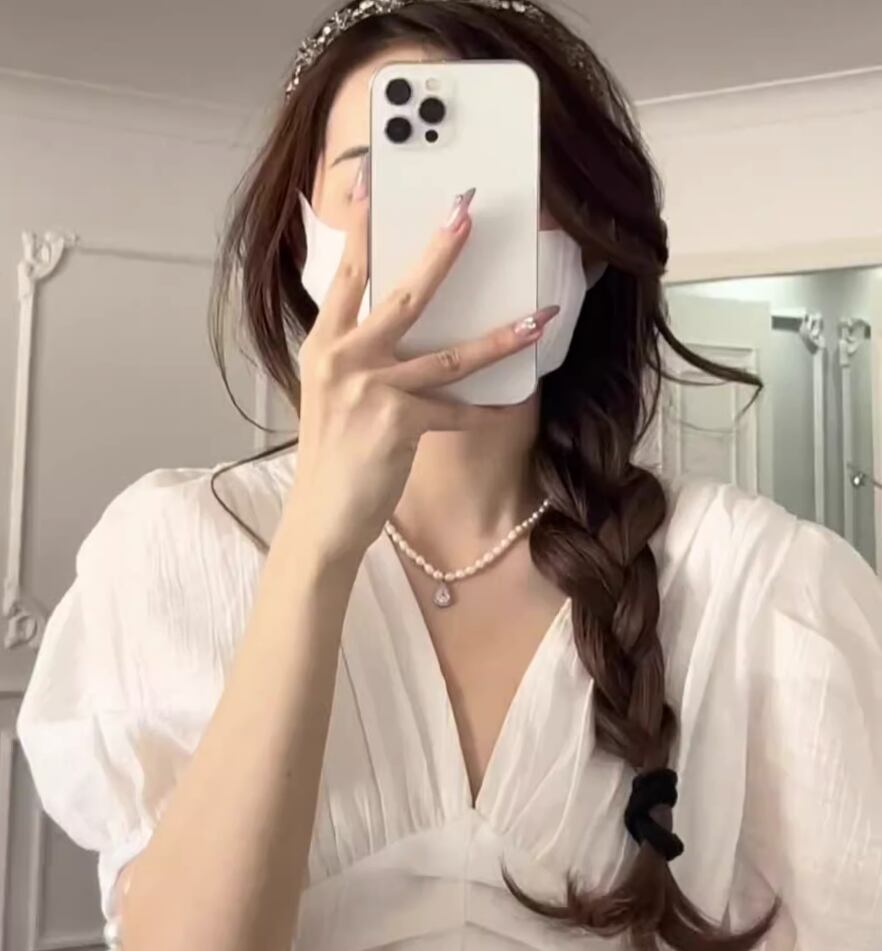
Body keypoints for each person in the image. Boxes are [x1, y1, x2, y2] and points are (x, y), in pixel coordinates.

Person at [16, 1, 882, 949]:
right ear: (303, 243)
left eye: (504, 174)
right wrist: (313, 551)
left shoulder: (760, 586)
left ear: (590, 244)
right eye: (372, 176)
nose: (447, 227)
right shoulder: (172, 552)